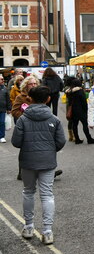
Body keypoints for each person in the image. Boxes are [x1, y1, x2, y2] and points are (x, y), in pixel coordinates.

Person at [12, 85, 66, 245]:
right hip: (47, 161)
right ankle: (47, 231)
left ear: (30, 98)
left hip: (27, 161)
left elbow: (16, 142)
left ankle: (28, 227)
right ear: (48, 99)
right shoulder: (54, 119)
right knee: (47, 194)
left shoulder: (23, 118)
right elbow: (61, 141)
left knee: (28, 192)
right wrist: (49, 150)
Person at [67, 78, 94, 145]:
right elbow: (84, 102)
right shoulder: (80, 91)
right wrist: (86, 110)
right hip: (81, 110)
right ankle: (89, 138)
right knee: (84, 125)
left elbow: (69, 102)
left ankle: (77, 139)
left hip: (73, 111)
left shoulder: (70, 91)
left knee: (75, 125)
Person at [0, 75, 9, 143]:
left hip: (2, 109)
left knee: (2, 122)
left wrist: (9, 108)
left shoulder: (5, 89)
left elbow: (8, 99)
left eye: (3, 79)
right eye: (1, 79)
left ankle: (2, 136)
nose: (3, 80)